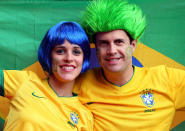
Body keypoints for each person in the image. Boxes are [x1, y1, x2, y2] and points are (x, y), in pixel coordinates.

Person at [73, 0, 185, 130]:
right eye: (104, 43)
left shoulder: (167, 80)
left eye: (119, 42)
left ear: (132, 45)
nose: (112, 50)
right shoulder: (79, 84)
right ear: (96, 48)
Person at [0, 21, 93, 131]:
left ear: (84, 58)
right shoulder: (24, 82)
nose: (69, 58)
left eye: (76, 52)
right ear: (49, 55)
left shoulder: (84, 116)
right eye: (60, 51)